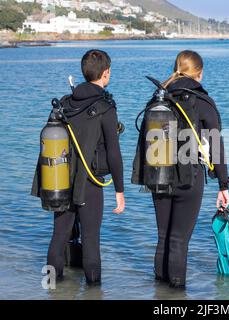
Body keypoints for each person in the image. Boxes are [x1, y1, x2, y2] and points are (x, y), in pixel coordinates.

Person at [134, 50, 229, 289]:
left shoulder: (158, 98)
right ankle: (177, 298)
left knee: (163, 237)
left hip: (159, 173)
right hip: (190, 177)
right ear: (199, 73)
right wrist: (223, 184)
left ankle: (160, 295)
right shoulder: (202, 99)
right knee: (179, 240)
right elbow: (215, 142)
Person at [33, 49, 125, 285]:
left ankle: (50, 287)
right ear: (106, 73)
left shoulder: (64, 103)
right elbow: (113, 152)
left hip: (60, 178)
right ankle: (94, 291)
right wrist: (119, 191)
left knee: (59, 236)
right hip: (90, 183)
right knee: (91, 239)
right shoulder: (106, 106)